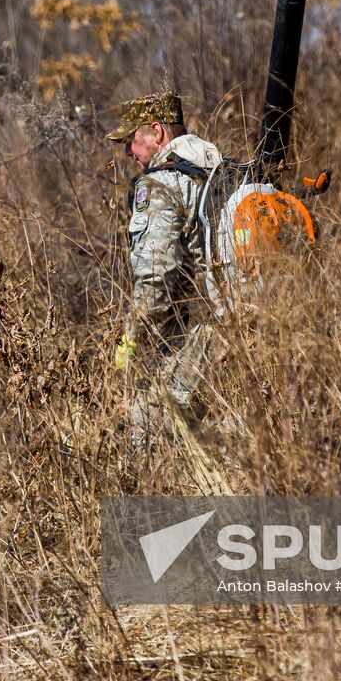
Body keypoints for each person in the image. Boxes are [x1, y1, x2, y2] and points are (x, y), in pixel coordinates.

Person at [105, 92, 222, 445]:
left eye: (132, 140)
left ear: (157, 132)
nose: (128, 152)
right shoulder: (216, 168)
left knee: (148, 430)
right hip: (232, 328)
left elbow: (156, 277)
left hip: (189, 333)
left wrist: (132, 337)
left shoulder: (159, 182)